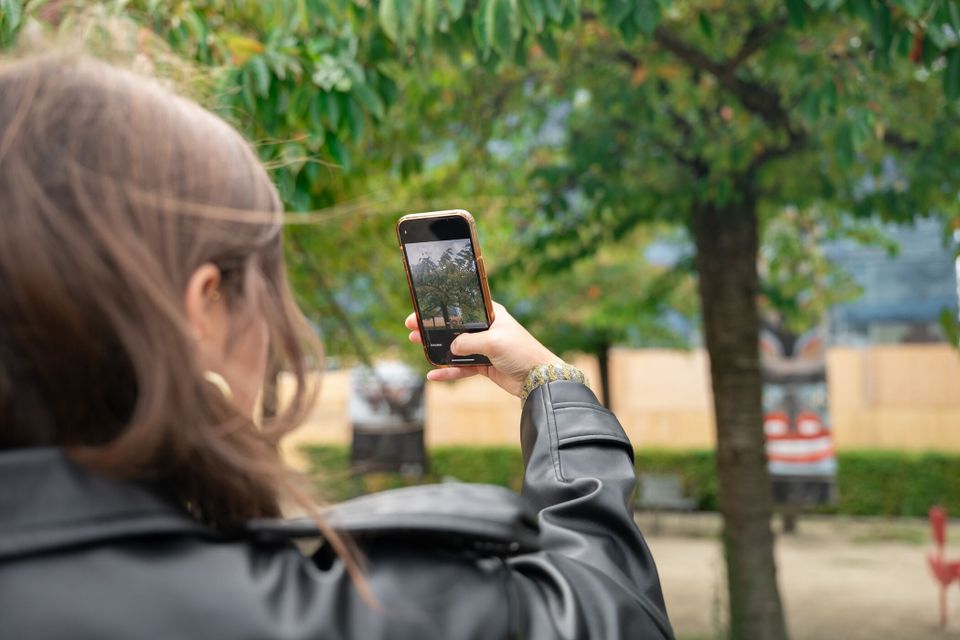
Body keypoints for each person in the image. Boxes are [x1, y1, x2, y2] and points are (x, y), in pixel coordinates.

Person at [0, 55, 674, 639]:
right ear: (202, 308)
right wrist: (553, 386)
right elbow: (612, 612)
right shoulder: (343, 612)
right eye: (267, 282)